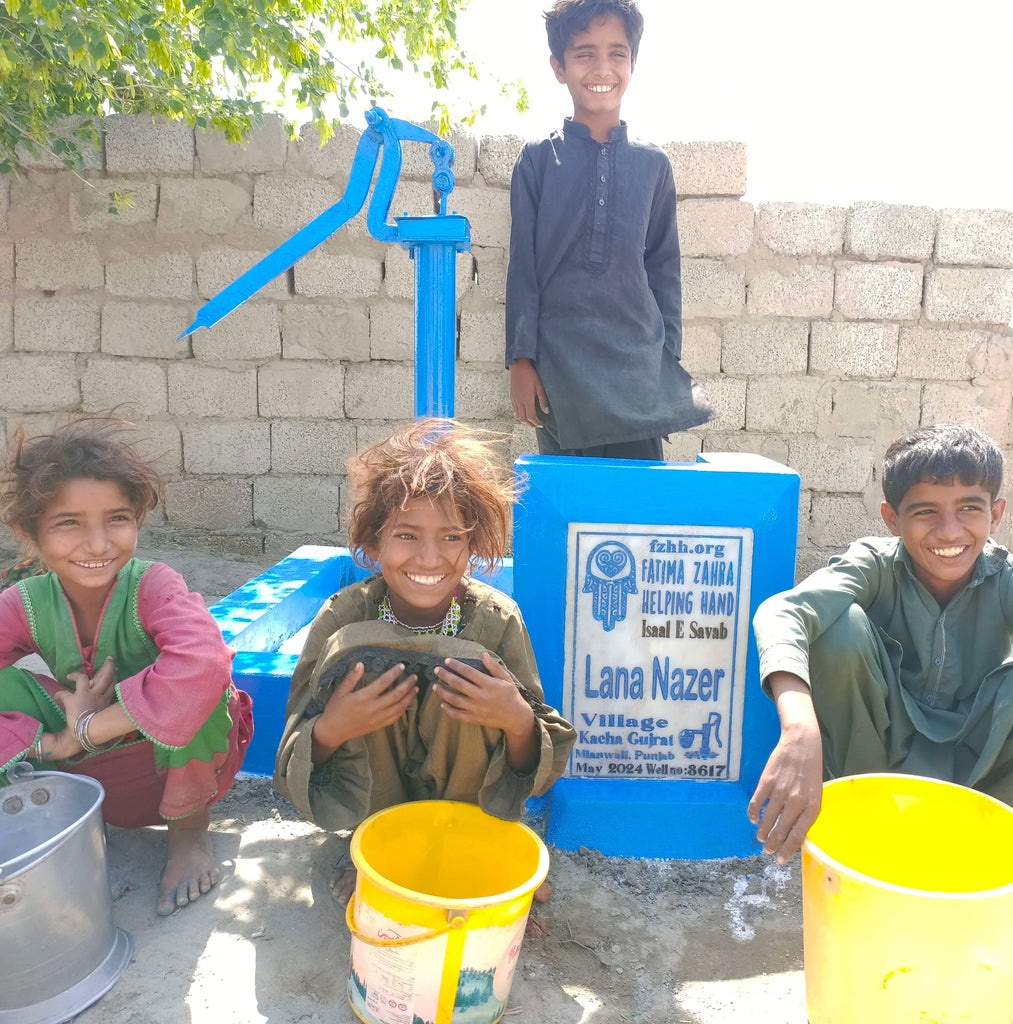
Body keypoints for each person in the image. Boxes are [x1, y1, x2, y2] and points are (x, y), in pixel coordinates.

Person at [274, 419, 576, 904]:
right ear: (373, 544)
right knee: (363, 671)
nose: (430, 558)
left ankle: (475, 845)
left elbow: (539, 764)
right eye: (407, 536)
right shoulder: (344, 617)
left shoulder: (496, 622)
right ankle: (375, 844)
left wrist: (516, 721)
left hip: (469, 811)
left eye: (452, 537)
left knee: (471, 683)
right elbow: (292, 756)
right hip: (374, 806)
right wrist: (333, 728)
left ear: (474, 544)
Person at [0, 418, 253, 916]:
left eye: (116, 518)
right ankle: (44, 821)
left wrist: (95, 725)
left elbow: (204, 661)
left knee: (203, 684)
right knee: (10, 687)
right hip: (83, 774)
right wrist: (61, 739)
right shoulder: (24, 603)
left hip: (171, 766)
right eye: (68, 523)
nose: (97, 545)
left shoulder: (154, 585)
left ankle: (188, 836)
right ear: (31, 533)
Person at [748, 424, 1013, 863]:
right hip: (875, 759)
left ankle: (985, 849)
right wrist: (799, 728)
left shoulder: (1002, 577)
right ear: (892, 518)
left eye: (969, 507)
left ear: (996, 513)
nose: (949, 532)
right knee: (837, 628)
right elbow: (783, 612)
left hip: (980, 769)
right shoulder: (875, 564)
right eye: (925, 511)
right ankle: (865, 830)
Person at [505, 0, 712, 460]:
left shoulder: (653, 165)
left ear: (633, 64)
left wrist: (666, 358)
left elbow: (663, 269)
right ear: (559, 67)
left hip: (635, 373)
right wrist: (521, 361)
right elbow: (524, 267)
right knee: (573, 513)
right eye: (584, 54)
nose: (603, 67)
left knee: (638, 512)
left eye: (617, 53)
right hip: (561, 371)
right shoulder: (539, 161)